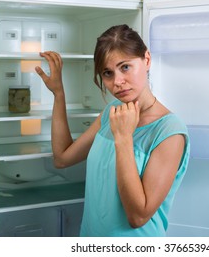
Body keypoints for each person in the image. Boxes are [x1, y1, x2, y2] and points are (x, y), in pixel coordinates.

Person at [35, 24, 190, 237]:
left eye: (125, 67)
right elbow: (62, 158)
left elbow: (138, 217)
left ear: (146, 60)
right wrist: (59, 93)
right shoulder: (111, 113)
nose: (117, 82)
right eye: (108, 73)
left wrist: (124, 138)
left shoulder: (169, 132)